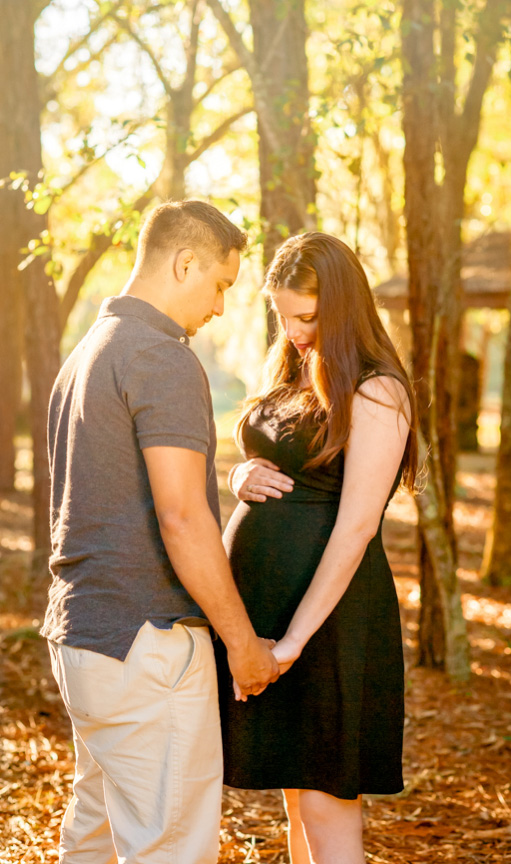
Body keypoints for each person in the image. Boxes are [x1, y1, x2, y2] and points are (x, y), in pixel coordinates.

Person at [42, 200, 280, 863]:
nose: (221, 308)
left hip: (83, 641)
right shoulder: (160, 357)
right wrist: (241, 643)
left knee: (91, 837)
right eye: (221, 285)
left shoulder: (84, 357)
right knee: (169, 850)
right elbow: (182, 517)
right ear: (184, 263)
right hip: (148, 646)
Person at [217, 232, 417, 863]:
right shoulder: (298, 368)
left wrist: (294, 641)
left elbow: (356, 527)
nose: (294, 329)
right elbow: (267, 453)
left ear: (342, 307)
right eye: (283, 315)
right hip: (273, 615)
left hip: (329, 620)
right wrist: (239, 475)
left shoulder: (377, 390)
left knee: (328, 804)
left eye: (306, 316)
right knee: (298, 799)